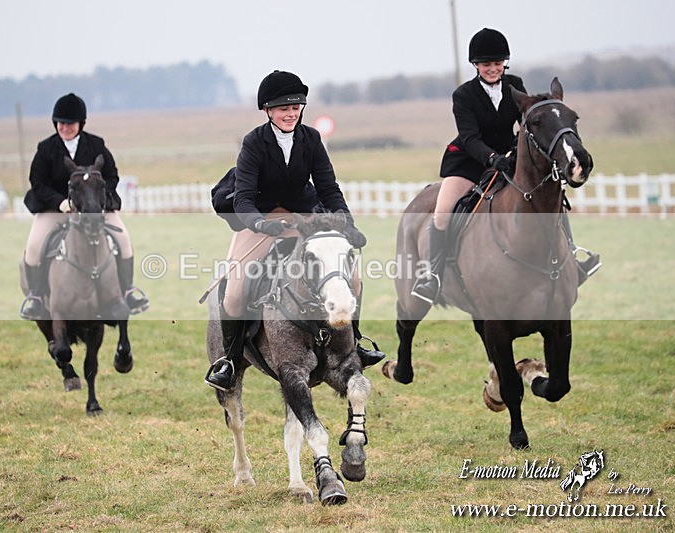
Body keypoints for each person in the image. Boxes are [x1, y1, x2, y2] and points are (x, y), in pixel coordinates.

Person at [205, 70, 385, 391]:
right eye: (283, 108)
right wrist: (261, 224)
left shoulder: (311, 139)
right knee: (234, 293)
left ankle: (354, 342)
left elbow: (329, 189)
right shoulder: (254, 143)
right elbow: (244, 197)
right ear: (268, 111)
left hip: (304, 218)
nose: (290, 113)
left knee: (353, 277)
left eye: (296, 107)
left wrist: (348, 224)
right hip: (259, 221)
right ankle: (230, 360)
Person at [411, 28, 601, 305]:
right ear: (476, 65)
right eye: (486, 64)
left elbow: (527, 123)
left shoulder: (515, 84)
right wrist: (491, 158)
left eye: (498, 63)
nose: (493, 69)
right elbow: (469, 137)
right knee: (441, 214)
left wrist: (517, 152)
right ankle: (433, 277)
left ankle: (572, 258)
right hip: (469, 161)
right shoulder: (464, 95)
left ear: (505, 63)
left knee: (552, 197)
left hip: (509, 158)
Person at [20, 92, 148, 319]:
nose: (65, 127)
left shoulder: (96, 145)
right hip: (56, 208)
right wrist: (59, 202)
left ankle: (128, 291)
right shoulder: (46, 148)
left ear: (80, 123)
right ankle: (36, 297)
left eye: (70, 123)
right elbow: (37, 183)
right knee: (33, 247)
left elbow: (112, 176)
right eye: (61, 123)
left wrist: (98, 200)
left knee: (124, 241)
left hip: (95, 209)